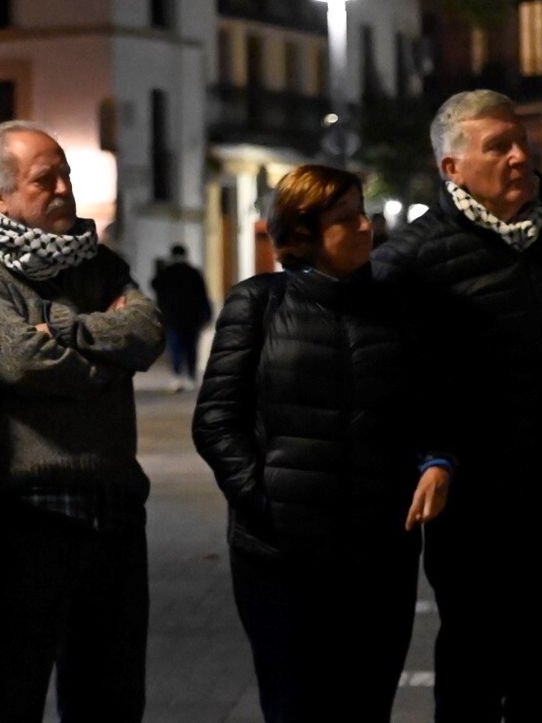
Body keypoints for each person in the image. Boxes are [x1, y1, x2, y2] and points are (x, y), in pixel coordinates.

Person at [374, 90, 542, 720]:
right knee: (475, 675)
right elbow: (398, 379)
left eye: (519, 141)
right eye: (496, 146)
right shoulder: (411, 260)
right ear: (452, 169)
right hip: (479, 505)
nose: (517, 156)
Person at [192, 164, 452, 722]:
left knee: (366, 704)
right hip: (280, 557)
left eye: (364, 214)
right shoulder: (257, 304)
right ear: (304, 232)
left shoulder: (396, 306)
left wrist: (436, 461)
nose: (366, 227)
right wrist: (261, 499)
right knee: (294, 705)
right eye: (347, 219)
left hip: (379, 550)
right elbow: (216, 419)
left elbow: (428, 404)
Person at [0, 121, 164, 722]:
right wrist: (107, 362)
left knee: (111, 701)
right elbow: (19, 361)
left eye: (66, 175)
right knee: (14, 698)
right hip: (21, 516)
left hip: (112, 510)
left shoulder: (100, 263)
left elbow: (148, 331)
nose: (64, 188)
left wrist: (60, 329)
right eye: (45, 179)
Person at [151, 244, 212, 391]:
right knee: (191, 348)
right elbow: (203, 296)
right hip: (192, 318)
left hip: (172, 318)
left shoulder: (167, 272)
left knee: (175, 348)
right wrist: (207, 315)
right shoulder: (194, 272)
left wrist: (159, 268)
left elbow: (155, 286)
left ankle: (177, 375)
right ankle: (191, 376)